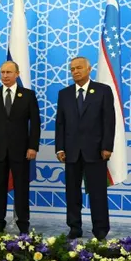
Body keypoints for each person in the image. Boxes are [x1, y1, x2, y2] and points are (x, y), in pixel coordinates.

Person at [55, 56, 115, 240]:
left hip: (96, 151)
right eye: (72, 69)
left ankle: (101, 229)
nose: (75, 71)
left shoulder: (103, 91)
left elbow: (109, 121)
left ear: (89, 69)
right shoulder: (64, 93)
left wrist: (107, 147)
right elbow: (60, 123)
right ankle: (74, 227)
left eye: (79, 68)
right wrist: (60, 148)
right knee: (72, 193)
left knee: (97, 193)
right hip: (71, 152)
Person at [0, 61, 40, 234]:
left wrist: (32, 147)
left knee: (22, 189)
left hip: (21, 151)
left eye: (8, 72)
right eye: (2, 72)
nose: (5, 75)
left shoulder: (28, 95)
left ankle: (23, 223)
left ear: (17, 73)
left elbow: (35, 123)